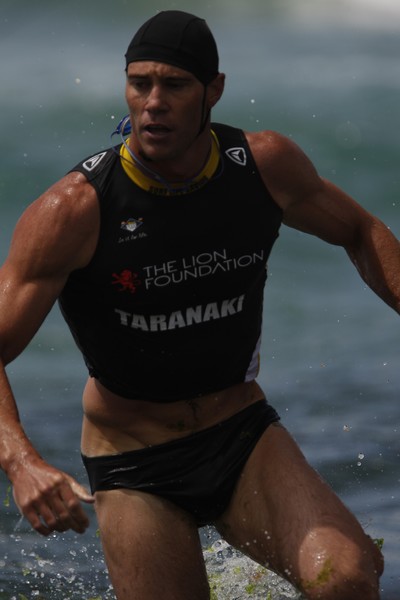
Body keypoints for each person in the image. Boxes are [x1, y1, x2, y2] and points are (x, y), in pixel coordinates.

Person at [0, 9, 396, 600]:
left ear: (214, 90)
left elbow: (360, 231)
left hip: (241, 434)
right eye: (140, 83)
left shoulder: (263, 167)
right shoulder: (75, 210)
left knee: (346, 579)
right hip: (135, 463)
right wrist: (21, 461)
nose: (153, 102)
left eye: (175, 85)